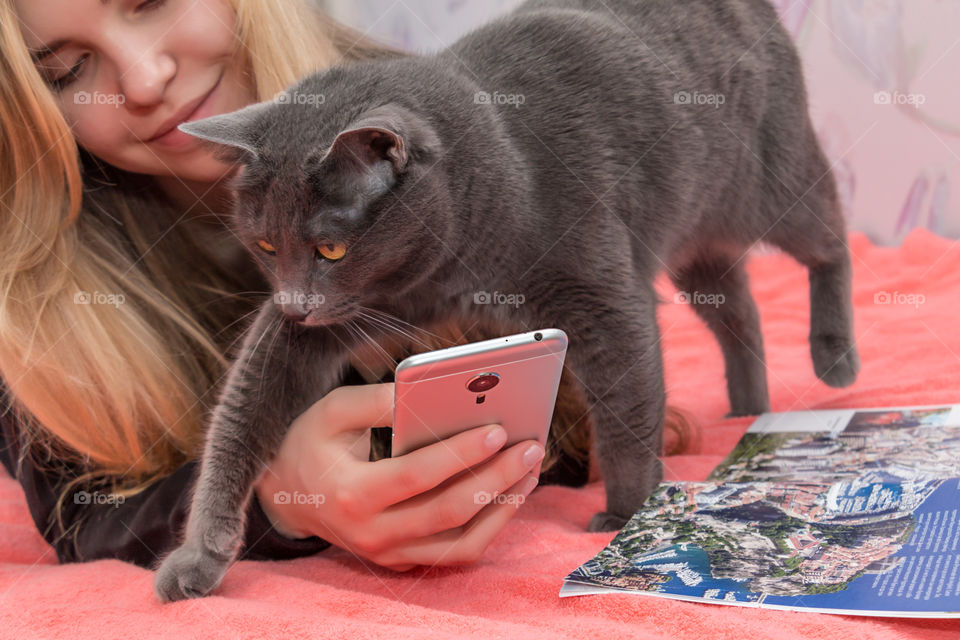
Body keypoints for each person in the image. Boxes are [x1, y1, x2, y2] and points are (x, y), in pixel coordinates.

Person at [0, 0, 593, 574]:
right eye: (68, 71)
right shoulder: (37, 279)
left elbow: (577, 395)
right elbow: (83, 514)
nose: (145, 78)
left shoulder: (425, 123)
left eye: (154, 3)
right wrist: (278, 495)